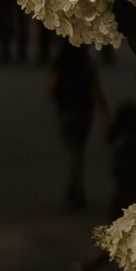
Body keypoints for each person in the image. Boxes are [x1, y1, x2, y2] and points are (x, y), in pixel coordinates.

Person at [49, 38, 103, 211]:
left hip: (67, 108)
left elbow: (53, 85)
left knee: (73, 148)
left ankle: (75, 184)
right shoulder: (87, 62)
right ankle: (76, 184)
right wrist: (106, 114)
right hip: (84, 109)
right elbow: (97, 89)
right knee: (79, 148)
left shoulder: (61, 61)